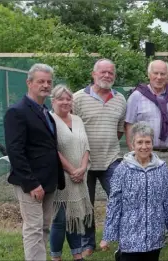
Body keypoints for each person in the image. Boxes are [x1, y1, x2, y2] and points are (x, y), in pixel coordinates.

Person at [125, 59, 168, 245]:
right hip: (147, 155)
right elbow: (129, 124)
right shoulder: (137, 96)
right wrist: (133, 152)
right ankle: (150, 230)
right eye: (156, 73)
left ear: (167, 75)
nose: (159, 77)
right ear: (149, 75)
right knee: (148, 194)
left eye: (163, 74)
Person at [4, 63, 65, 261]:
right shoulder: (17, 111)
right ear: (29, 83)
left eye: (49, 82)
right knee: (33, 229)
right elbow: (15, 152)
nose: (46, 85)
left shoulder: (44, 110)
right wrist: (31, 184)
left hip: (49, 181)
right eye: (41, 81)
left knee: (44, 227)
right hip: (31, 183)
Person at [100, 122, 168, 261]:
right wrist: (107, 236)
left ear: (152, 143)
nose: (144, 146)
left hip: (154, 236)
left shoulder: (162, 168)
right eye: (140, 142)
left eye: (148, 142)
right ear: (133, 144)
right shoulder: (122, 169)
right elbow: (114, 203)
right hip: (129, 235)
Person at [72, 58, 127, 256]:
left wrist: (106, 141)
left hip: (111, 159)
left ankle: (121, 240)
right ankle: (88, 244)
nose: (106, 75)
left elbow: (119, 130)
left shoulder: (120, 99)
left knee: (121, 199)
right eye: (102, 72)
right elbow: (68, 128)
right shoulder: (77, 98)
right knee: (86, 205)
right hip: (82, 163)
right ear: (93, 74)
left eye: (110, 73)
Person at [49, 85, 93, 261]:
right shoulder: (49, 120)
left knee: (75, 216)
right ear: (53, 101)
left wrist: (82, 169)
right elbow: (53, 150)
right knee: (59, 220)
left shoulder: (78, 120)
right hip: (61, 177)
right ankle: (56, 257)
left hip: (80, 176)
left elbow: (86, 146)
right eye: (61, 99)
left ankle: (77, 255)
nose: (65, 102)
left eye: (68, 99)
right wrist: (71, 170)